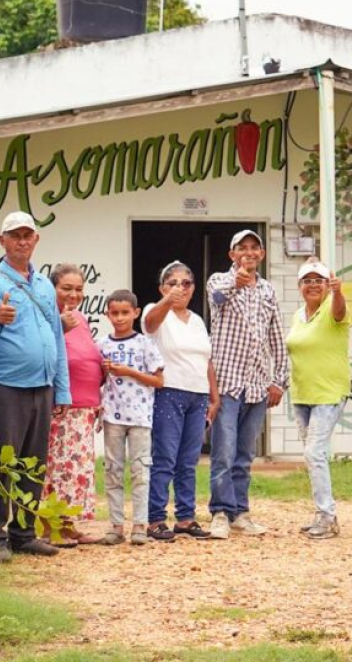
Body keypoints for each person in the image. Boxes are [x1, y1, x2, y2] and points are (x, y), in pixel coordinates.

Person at [0, 211, 71, 561]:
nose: (22, 241)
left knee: (34, 463)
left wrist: (62, 390)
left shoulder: (44, 284)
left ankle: (24, 533)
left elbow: (57, 337)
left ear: (36, 240)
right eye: (15, 235)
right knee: (1, 460)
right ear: (2, 241)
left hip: (42, 387)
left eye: (28, 235)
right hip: (6, 386)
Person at [207, 229, 289, 539]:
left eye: (255, 248)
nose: (249, 252)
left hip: (258, 384)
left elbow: (277, 336)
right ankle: (218, 512)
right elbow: (216, 298)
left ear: (263, 254)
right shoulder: (218, 280)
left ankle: (239, 512)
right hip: (227, 383)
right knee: (223, 452)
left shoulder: (268, 290)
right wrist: (234, 282)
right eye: (242, 248)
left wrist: (279, 380)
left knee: (244, 453)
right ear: (232, 254)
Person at [142, 261, 219, 542]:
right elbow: (149, 325)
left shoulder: (197, 320)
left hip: (197, 394)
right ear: (163, 287)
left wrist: (214, 395)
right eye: (173, 283)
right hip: (169, 392)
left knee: (188, 459)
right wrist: (166, 301)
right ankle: (155, 519)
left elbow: (206, 359)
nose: (180, 288)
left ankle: (186, 517)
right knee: (164, 457)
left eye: (186, 283)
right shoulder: (157, 311)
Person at [286, 257, 352, 540]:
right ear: (300, 286)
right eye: (307, 281)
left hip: (329, 392)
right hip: (302, 392)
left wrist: (338, 292)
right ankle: (321, 513)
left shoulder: (332, 308)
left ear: (327, 285)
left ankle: (327, 516)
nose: (313, 285)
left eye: (319, 281)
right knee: (313, 454)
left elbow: (339, 310)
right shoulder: (298, 315)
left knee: (314, 452)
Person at [41, 264, 103, 546]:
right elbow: (46, 352)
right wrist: (58, 327)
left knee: (77, 469)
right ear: (52, 288)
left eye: (78, 289)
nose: (73, 294)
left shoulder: (79, 317)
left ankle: (68, 524)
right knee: (59, 467)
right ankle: (51, 528)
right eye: (66, 288)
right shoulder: (48, 316)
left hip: (85, 407)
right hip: (63, 405)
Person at [98, 289, 165, 546]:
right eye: (114, 313)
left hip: (139, 417)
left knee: (140, 471)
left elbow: (158, 380)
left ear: (135, 313)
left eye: (125, 313)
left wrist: (128, 371)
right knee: (113, 470)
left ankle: (139, 523)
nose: (120, 318)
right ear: (107, 314)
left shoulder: (145, 343)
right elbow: (99, 379)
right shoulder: (103, 344)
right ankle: (116, 525)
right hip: (113, 416)